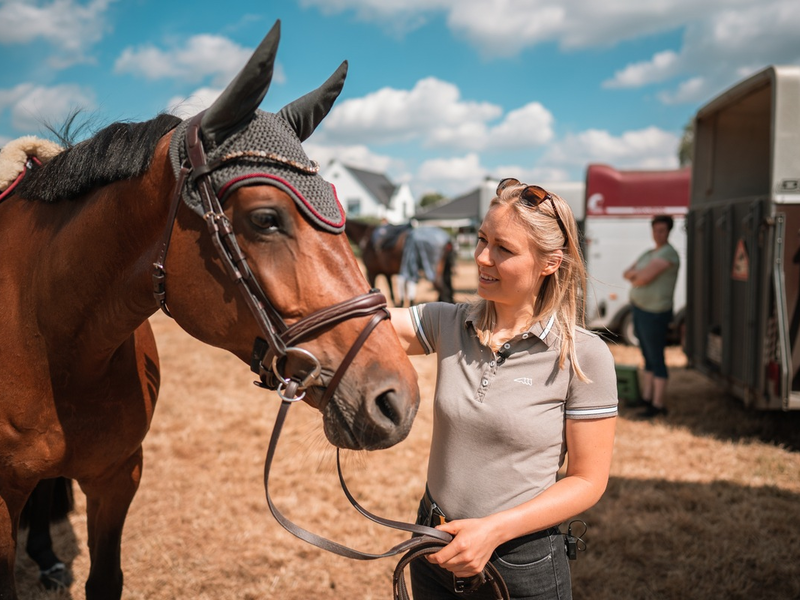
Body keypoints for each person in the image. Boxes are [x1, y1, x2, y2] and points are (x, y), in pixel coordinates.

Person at [389, 178, 618, 600]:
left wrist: (493, 531)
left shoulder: (583, 355)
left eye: (503, 249)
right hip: (433, 543)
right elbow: (361, 326)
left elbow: (588, 480)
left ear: (550, 262)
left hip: (519, 563)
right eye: (481, 240)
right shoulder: (449, 322)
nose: (481, 258)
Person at [622, 214, 680, 418]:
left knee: (656, 358)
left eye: (662, 230)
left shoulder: (668, 254)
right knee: (647, 357)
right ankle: (647, 399)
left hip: (655, 313)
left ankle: (658, 404)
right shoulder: (650, 253)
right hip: (640, 310)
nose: (658, 234)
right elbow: (627, 272)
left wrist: (637, 276)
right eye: (655, 230)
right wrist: (636, 275)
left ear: (669, 231)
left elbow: (643, 278)